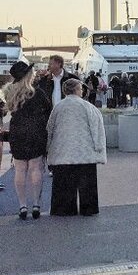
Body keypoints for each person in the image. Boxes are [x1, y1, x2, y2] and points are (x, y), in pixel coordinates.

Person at [47, 78, 107, 216]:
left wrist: (49, 148)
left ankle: (64, 209)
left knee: (63, 184)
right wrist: (98, 148)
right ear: (76, 90)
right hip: (85, 151)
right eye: (81, 89)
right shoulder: (88, 107)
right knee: (87, 183)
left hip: (62, 151)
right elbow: (97, 128)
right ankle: (88, 208)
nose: (82, 91)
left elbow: (50, 128)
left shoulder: (58, 107)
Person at [3, 61, 52, 219]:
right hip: (36, 132)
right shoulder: (37, 93)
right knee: (35, 169)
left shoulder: (9, 92)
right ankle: (36, 204)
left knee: (20, 169)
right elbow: (48, 110)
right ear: (28, 75)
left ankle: (22, 206)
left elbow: (9, 112)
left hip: (17, 132)